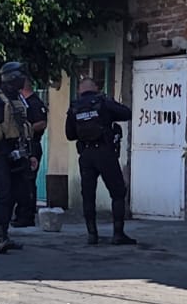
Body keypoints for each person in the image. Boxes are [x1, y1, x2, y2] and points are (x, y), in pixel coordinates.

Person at [64, 76, 135, 245]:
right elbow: (127, 113)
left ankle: (92, 234)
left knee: (88, 195)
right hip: (105, 152)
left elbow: (70, 134)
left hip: (86, 155)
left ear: (80, 90)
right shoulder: (102, 102)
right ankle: (118, 234)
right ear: (95, 87)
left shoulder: (74, 107)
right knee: (117, 192)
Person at [0, 61, 36, 254]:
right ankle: (0, 236)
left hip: (17, 151)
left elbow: (24, 127)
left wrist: (31, 153)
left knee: (21, 193)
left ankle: (6, 234)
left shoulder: (18, 98)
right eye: (20, 77)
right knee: (5, 193)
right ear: (12, 78)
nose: (23, 81)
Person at [11, 80, 48, 229]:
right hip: (22, 145)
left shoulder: (34, 103)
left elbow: (42, 123)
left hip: (31, 145)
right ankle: (20, 213)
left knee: (27, 182)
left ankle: (27, 216)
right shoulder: (22, 102)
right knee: (20, 182)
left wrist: (27, 129)